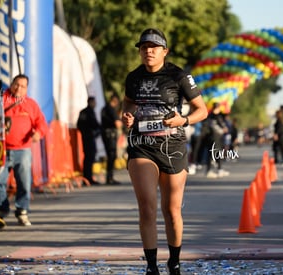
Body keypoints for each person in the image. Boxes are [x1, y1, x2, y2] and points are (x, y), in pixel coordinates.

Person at [121, 28, 207, 275]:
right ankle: (151, 266)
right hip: (141, 145)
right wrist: (127, 116)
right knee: (147, 206)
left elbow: (202, 110)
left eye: (154, 47)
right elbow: (128, 102)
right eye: (144, 47)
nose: (148, 51)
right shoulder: (133, 77)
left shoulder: (179, 76)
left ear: (164, 52)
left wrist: (184, 121)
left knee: (171, 210)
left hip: (173, 145)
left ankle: (175, 261)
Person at [0, 74, 48, 226]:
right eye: (16, 84)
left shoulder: (31, 104)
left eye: (23, 86)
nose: (19, 88)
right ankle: (1, 210)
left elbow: (41, 124)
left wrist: (38, 133)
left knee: (24, 183)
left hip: (23, 151)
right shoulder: (1, 100)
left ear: (27, 89)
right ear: (11, 84)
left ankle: (22, 211)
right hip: (2, 150)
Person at [77, 96, 102, 186]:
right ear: (90, 102)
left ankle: (89, 178)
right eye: (94, 102)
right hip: (87, 138)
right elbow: (80, 125)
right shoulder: (85, 112)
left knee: (91, 158)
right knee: (88, 158)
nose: (95, 104)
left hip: (91, 138)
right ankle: (87, 178)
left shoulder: (91, 112)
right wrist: (88, 132)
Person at [101, 93, 123, 185]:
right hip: (111, 135)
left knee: (110, 155)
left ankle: (109, 177)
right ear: (115, 100)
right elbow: (118, 124)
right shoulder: (111, 109)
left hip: (105, 134)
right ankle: (110, 178)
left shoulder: (104, 108)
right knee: (112, 155)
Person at [205, 102, 230, 178]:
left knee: (213, 153)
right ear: (218, 108)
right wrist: (225, 129)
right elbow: (223, 127)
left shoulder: (209, 115)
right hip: (216, 137)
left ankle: (218, 169)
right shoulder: (217, 116)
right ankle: (214, 170)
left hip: (210, 137)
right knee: (216, 153)